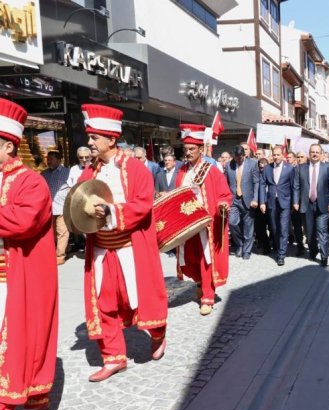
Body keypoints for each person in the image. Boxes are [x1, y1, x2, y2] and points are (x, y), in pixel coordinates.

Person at [78, 104, 168, 382]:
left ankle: (157, 332)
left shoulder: (135, 169)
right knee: (105, 304)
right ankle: (113, 357)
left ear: (111, 140)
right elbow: (78, 201)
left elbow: (142, 205)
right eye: (90, 137)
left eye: (95, 138)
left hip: (130, 248)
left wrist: (111, 211)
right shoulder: (90, 172)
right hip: (102, 250)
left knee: (137, 299)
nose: (90, 143)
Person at [0, 98, 58, 410]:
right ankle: (35, 400)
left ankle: (20, 401)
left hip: (14, 280)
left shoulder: (31, 182)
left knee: (14, 346)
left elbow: (22, 221)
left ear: (8, 145)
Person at [175, 124, 233, 316]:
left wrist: (223, 204)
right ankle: (200, 283)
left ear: (201, 149)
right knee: (189, 258)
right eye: (186, 149)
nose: (188, 152)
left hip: (205, 224)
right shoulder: (182, 171)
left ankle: (208, 296)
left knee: (206, 259)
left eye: (192, 149)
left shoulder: (211, 170)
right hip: (186, 223)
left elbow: (224, 194)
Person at [293, 144, 329, 266]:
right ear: (309, 153)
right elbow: (296, 186)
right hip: (307, 204)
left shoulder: (328, 167)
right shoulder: (300, 168)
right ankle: (313, 251)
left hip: (323, 203)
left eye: (317, 152)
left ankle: (324, 256)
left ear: (321, 154)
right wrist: (296, 202)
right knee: (310, 231)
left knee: (321, 230)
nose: (315, 154)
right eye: (312, 152)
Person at [260, 147, 295, 266]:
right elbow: (262, 185)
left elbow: (293, 187)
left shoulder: (289, 169)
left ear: (282, 155)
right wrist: (262, 202)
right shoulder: (267, 168)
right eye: (274, 155)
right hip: (271, 202)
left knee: (284, 228)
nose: (276, 157)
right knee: (274, 228)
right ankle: (278, 246)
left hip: (285, 202)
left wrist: (294, 202)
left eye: (278, 155)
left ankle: (281, 254)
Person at [225, 145, 259, 260]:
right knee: (232, 222)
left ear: (244, 155)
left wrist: (255, 199)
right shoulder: (229, 165)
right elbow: (225, 183)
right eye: (236, 158)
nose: (238, 160)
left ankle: (247, 250)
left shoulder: (253, 164)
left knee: (248, 227)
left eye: (240, 157)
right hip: (234, 199)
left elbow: (256, 182)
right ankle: (239, 244)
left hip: (248, 199)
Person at [41, 150, 71, 265]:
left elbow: (72, 186)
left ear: (59, 160)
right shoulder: (44, 174)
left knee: (62, 231)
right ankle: (64, 248)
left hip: (62, 207)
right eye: (48, 159)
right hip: (49, 208)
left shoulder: (67, 172)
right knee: (52, 232)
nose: (48, 161)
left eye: (51, 159)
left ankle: (60, 255)